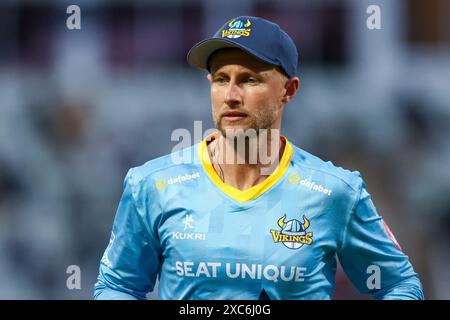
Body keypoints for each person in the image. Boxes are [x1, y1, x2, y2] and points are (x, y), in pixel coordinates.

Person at [94, 16, 424, 300]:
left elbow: (399, 283)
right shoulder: (153, 185)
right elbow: (117, 285)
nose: (231, 96)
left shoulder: (335, 193)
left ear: (289, 90)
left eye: (249, 80)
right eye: (221, 79)